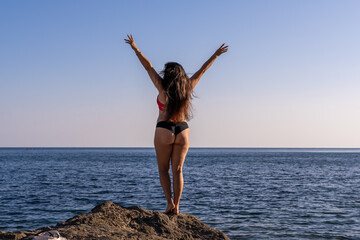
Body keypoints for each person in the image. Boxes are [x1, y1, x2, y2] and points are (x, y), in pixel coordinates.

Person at [124, 34, 228, 214]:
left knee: (163, 170)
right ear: (181, 74)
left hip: (164, 129)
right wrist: (216, 55)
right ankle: (178, 206)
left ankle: (170, 203)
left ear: (167, 73)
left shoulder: (162, 87)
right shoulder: (188, 86)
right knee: (178, 170)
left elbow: (147, 67)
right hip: (182, 130)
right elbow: (203, 70)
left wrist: (135, 48)